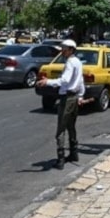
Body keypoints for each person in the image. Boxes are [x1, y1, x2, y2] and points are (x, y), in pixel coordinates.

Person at [35, 39, 85, 170]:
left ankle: (61, 159)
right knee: (71, 127)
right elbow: (80, 81)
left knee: (61, 130)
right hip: (74, 97)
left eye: (65, 49)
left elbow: (65, 80)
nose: (62, 51)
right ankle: (74, 154)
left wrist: (48, 82)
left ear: (71, 50)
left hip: (67, 98)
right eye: (62, 48)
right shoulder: (78, 62)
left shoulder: (70, 63)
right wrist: (80, 96)